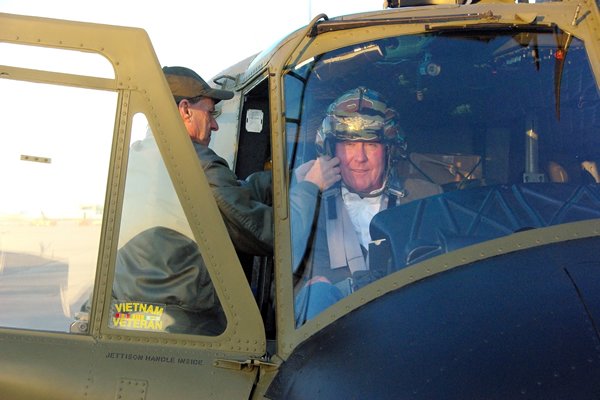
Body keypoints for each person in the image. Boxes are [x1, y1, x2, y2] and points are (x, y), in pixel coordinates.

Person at [110, 66, 274, 335]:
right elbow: (263, 233)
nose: (215, 125)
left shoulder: (132, 158)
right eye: (210, 113)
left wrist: (279, 181)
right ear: (185, 110)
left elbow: (226, 197)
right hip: (187, 327)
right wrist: (308, 188)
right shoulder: (197, 163)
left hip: (125, 317)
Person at [290, 86, 442, 325]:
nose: (359, 157)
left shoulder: (424, 198)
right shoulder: (307, 204)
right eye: (348, 144)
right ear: (331, 149)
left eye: (371, 144)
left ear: (390, 150)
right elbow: (279, 291)